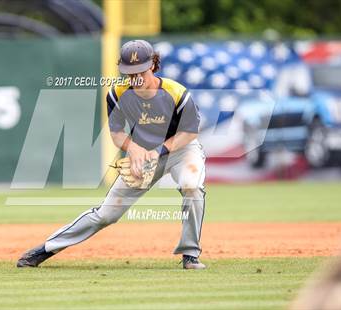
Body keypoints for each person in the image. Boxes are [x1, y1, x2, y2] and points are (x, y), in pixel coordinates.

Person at [17, 40, 206, 269]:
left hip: (180, 151)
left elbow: (189, 132)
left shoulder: (176, 93)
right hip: (142, 155)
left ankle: (190, 255)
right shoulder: (117, 93)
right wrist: (133, 147)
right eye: (129, 72)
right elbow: (116, 133)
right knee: (106, 214)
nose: (135, 77)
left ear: (154, 65)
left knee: (191, 185)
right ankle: (45, 249)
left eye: (141, 71)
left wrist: (159, 150)